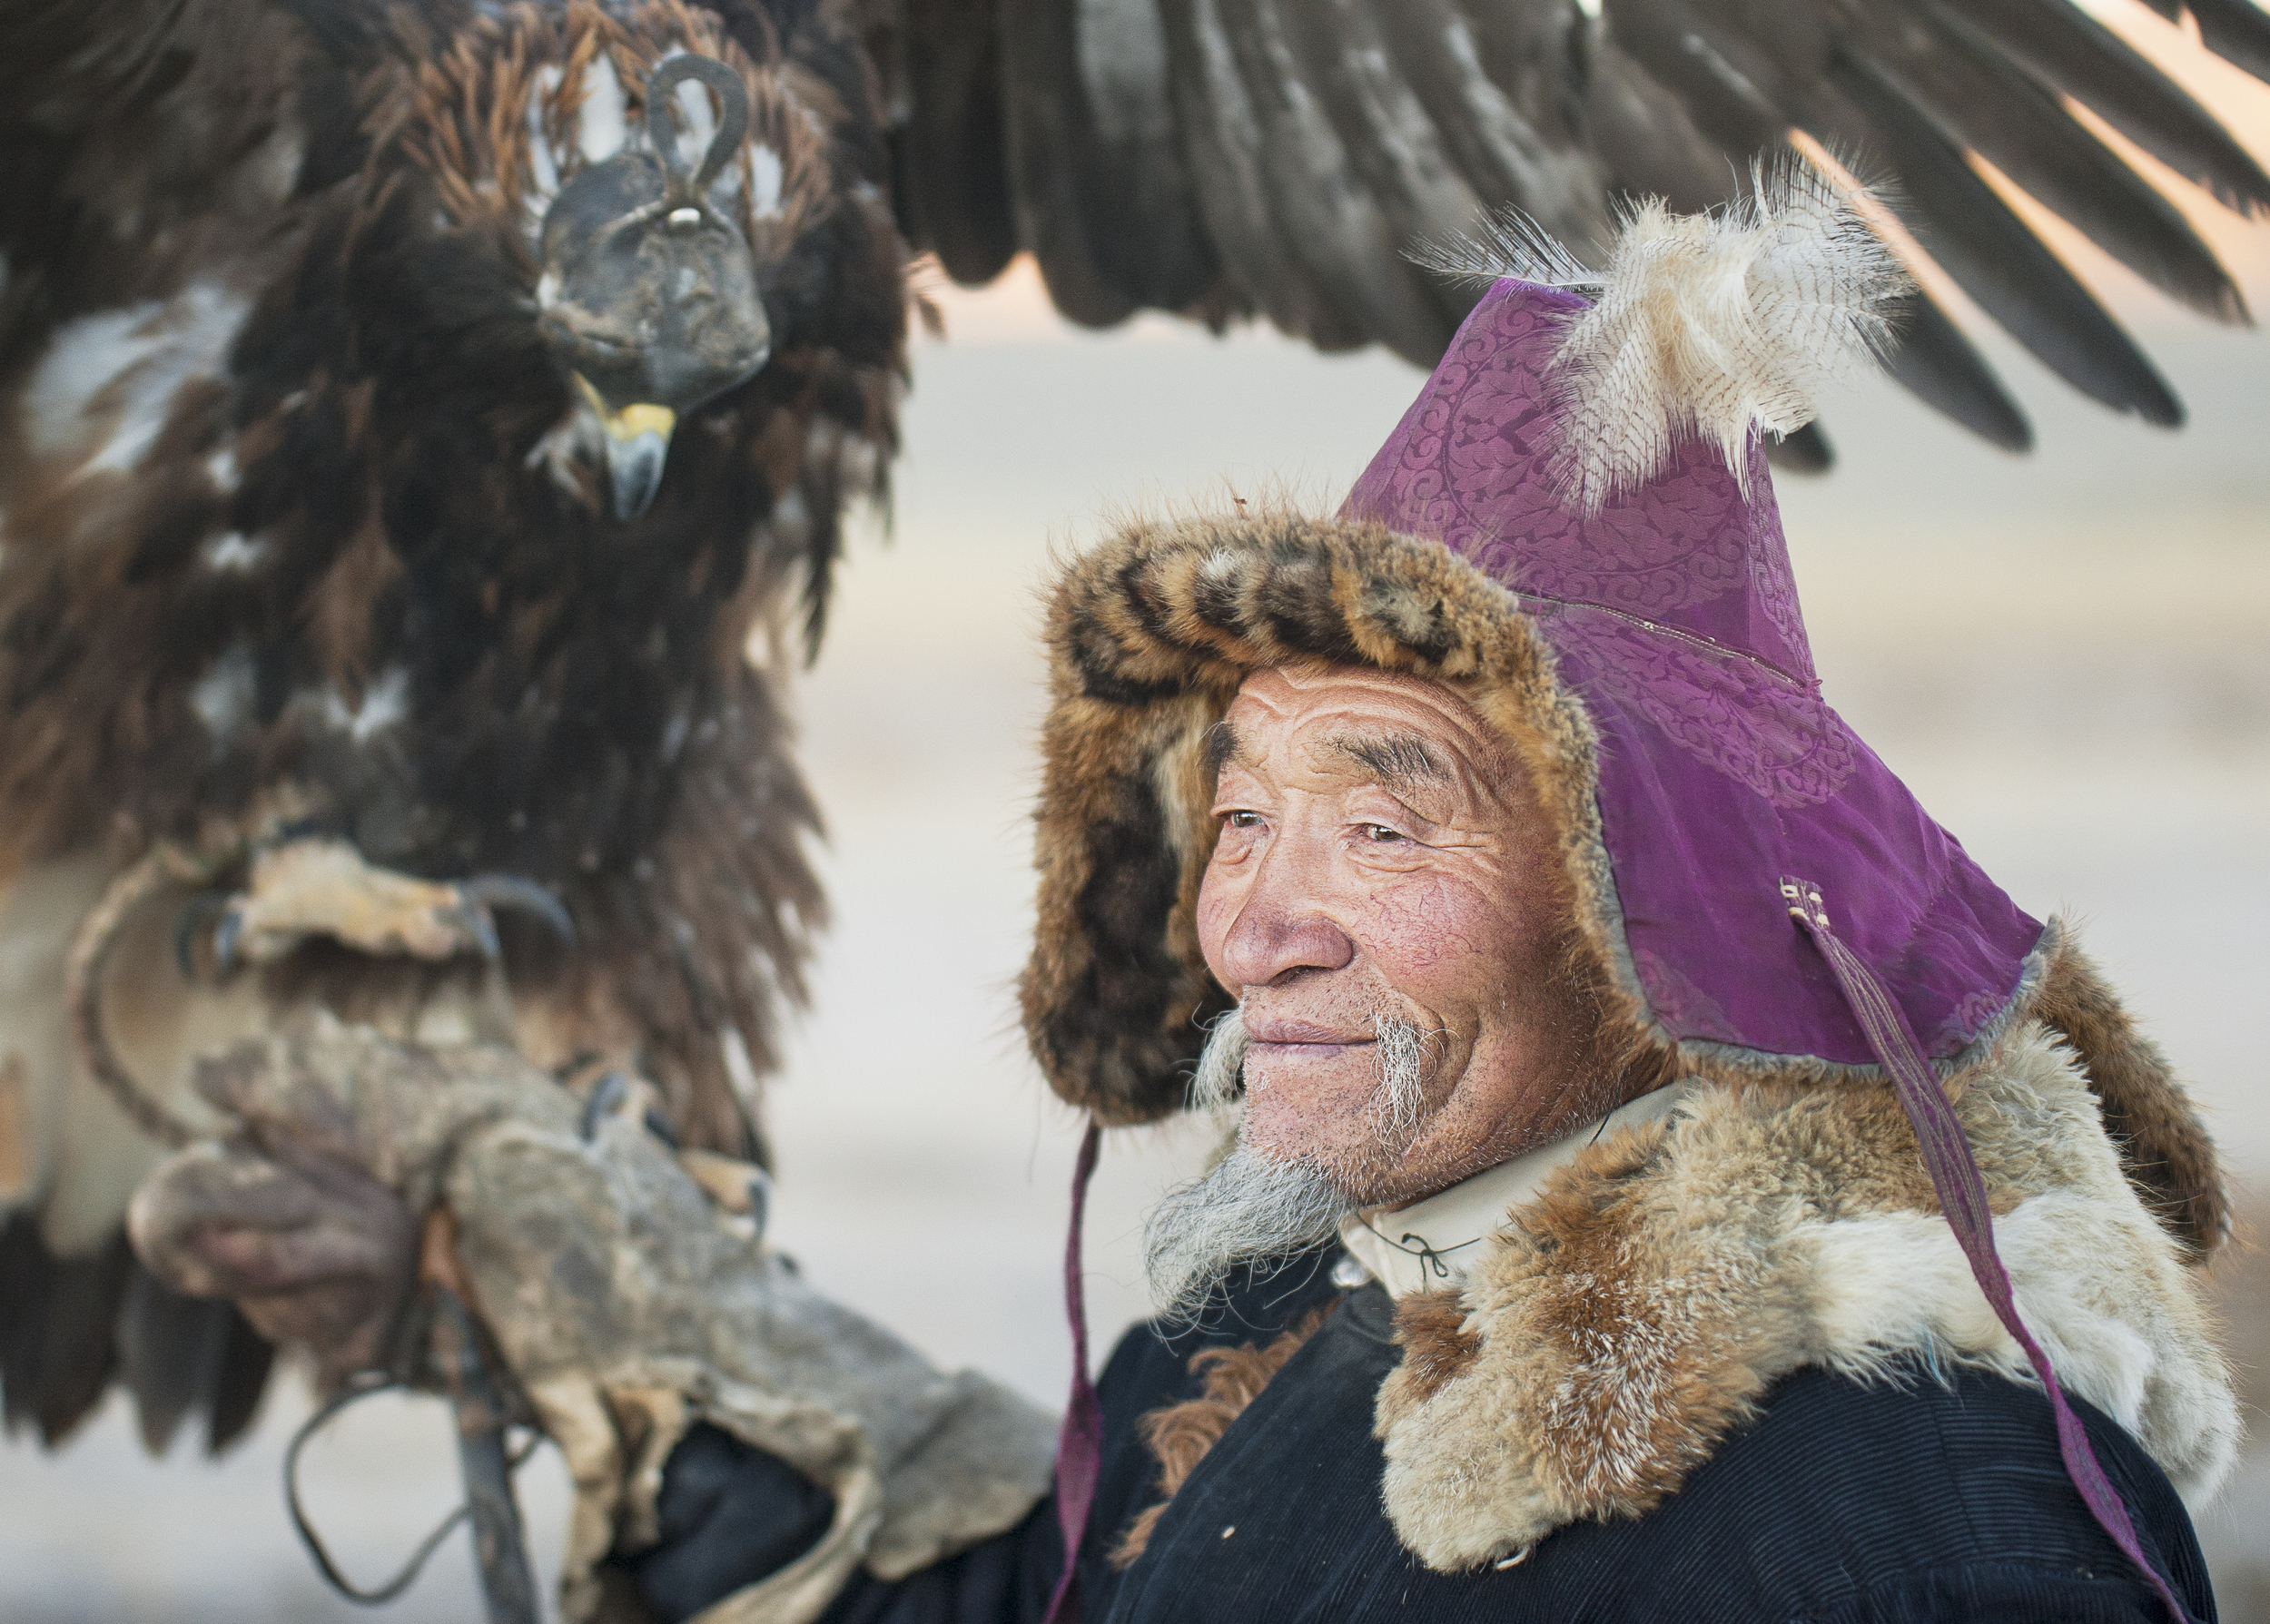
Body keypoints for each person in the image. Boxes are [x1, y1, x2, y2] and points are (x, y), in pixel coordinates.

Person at [133, 173, 2236, 1624]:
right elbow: (1025, 1595)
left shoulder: (1924, 1511)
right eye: (1240, 818)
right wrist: (572, 1301)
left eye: (1385, 822)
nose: (1254, 927)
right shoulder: (1281, 1320)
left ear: (1647, 912)